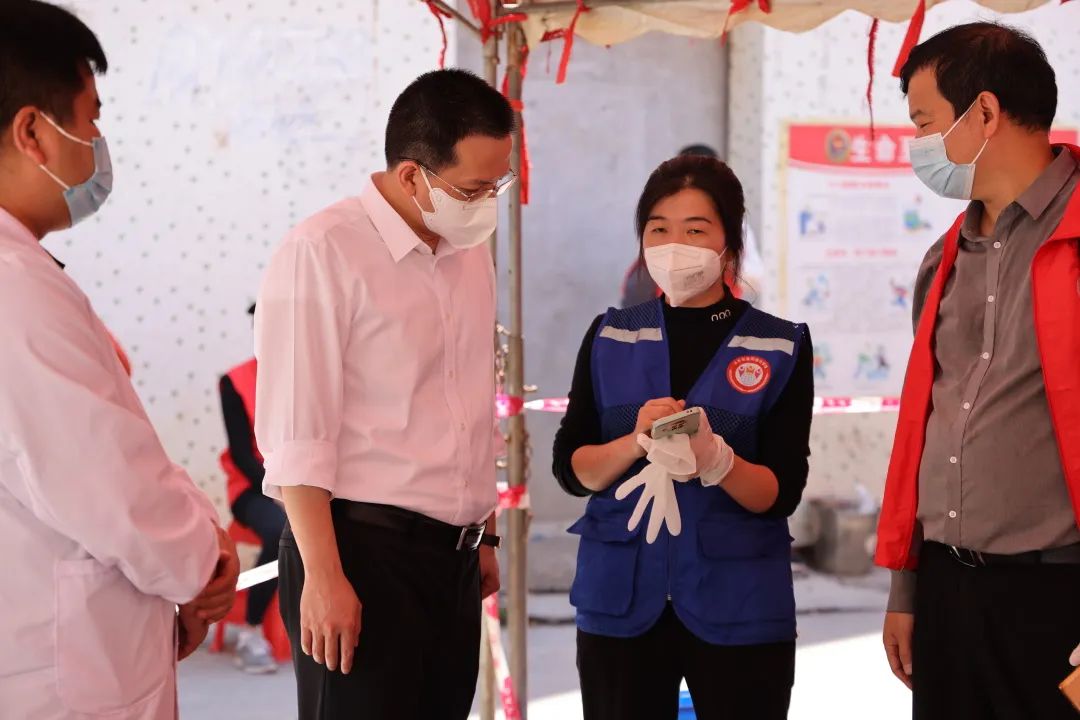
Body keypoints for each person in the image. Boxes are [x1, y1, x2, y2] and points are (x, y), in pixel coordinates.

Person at [0, 2, 240, 718]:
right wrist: (203, 562)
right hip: (57, 672)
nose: (99, 140)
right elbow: (104, 479)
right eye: (90, 115)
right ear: (34, 132)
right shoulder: (15, 289)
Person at [255, 68, 511, 718]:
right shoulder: (322, 251)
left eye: (497, 185)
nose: (487, 204)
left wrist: (481, 535)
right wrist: (324, 575)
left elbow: (467, 401)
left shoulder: (466, 249)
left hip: (450, 560)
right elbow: (296, 433)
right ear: (410, 176)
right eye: (474, 188)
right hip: (358, 552)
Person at [553, 154, 815, 720]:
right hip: (620, 599)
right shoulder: (609, 336)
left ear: (729, 242)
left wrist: (718, 462)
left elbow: (781, 491)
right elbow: (572, 471)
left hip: (739, 600)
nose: (675, 245)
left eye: (695, 230)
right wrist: (634, 442)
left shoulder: (780, 345)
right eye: (659, 230)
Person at [877, 22, 1080, 719]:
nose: (918, 146)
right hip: (946, 592)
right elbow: (928, 425)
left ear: (985, 114)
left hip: (1058, 599)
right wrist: (907, 589)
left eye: (925, 122)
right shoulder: (944, 261)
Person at [218, 302, 286, 674]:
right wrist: (286, 495)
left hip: (306, 481)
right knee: (281, 531)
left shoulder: (309, 377)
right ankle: (252, 630)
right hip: (253, 488)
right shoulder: (235, 380)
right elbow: (244, 455)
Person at [619, 143, 766, 307]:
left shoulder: (735, 222)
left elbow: (756, 275)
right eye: (661, 229)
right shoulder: (642, 283)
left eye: (695, 231)